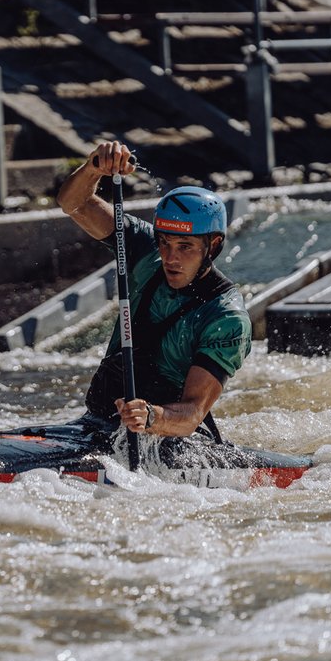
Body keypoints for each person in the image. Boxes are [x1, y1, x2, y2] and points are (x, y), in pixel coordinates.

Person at [56, 141, 251, 448]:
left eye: (185, 247)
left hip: (173, 440)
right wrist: (94, 168)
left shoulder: (226, 317)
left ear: (213, 246)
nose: (170, 257)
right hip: (101, 424)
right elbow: (74, 203)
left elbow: (192, 413)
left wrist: (151, 417)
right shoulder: (146, 251)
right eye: (165, 242)